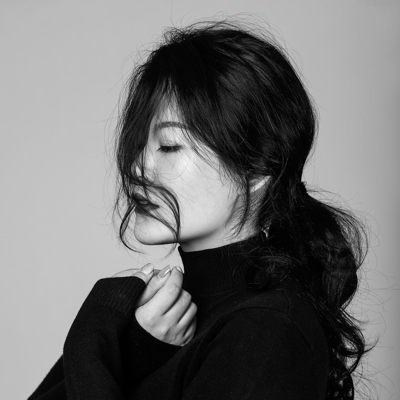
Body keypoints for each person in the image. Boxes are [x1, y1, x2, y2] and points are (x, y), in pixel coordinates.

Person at [28, 20, 369, 400]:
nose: (138, 166)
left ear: (256, 168)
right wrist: (134, 352)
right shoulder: (161, 324)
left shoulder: (266, 330)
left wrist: (91, 339)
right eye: (139, 143)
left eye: (169, 146)